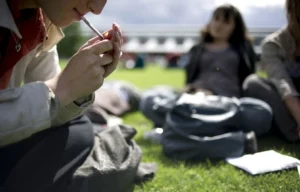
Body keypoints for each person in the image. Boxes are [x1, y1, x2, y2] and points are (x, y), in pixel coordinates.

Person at [0, 0, 122, 191]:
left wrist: (78, 88)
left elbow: (54, 110)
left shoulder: (38, 19)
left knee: (79, 128)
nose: (97, 9)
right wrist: (60, 87)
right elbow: (54, 94)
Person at [140, 5, 272, 157]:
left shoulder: (243, 48)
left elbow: (249, 80)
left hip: (225, 105)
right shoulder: (198, 48)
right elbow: (190, 79)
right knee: (149, 99)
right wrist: (191, 90)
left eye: (226, 21)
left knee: (262, 113)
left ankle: (173, 131)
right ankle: (235, 139)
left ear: (236, 27)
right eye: (216, 19)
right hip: (194, 101)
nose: (218, 25)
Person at [243, 0, 300, 142]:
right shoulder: (272, 44)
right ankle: (294, 132)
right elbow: (283, 84)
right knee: (253, 83)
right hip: (288, 106)